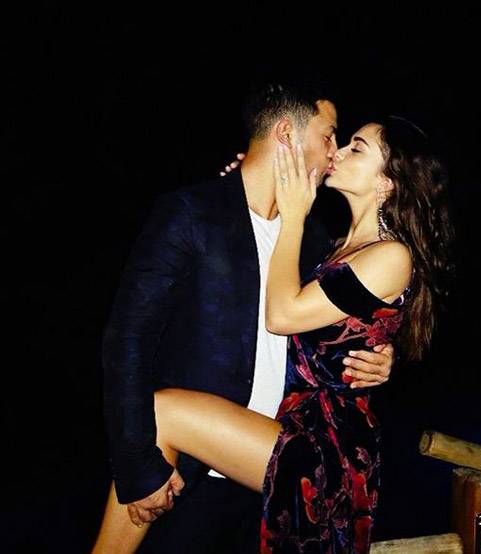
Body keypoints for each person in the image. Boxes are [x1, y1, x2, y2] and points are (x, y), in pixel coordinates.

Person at [92, 82, 396, 554]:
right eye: (328, 135)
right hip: (186, 471)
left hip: (273, 475)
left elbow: (338, 332)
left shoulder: (315, 243)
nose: (333, 152)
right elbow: (127, 341)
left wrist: (380, 356)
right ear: (286, 134)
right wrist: (136, 464)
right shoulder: (193, 213)